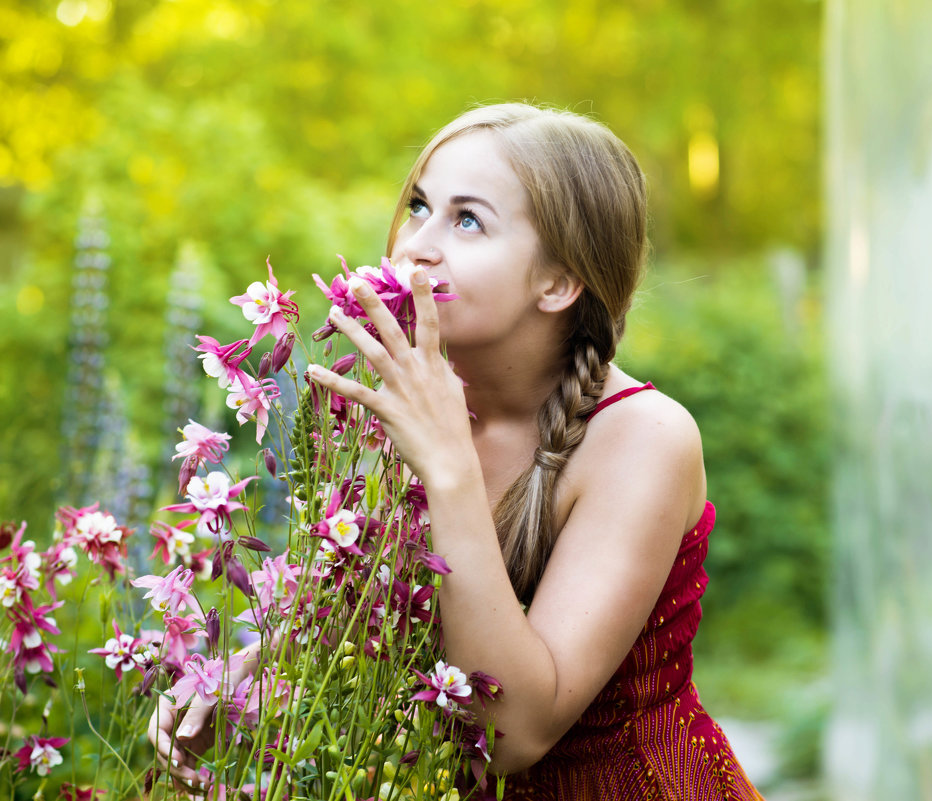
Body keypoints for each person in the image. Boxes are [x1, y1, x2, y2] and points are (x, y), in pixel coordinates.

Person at [151, 103, 763, 800]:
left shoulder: (644, 439)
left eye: (467, 219)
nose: (416, 245)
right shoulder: (409, 400)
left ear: (558, 283)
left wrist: (447, 468)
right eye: (418, 205)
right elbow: (382, 628)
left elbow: (514, 733)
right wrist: (250, 673)